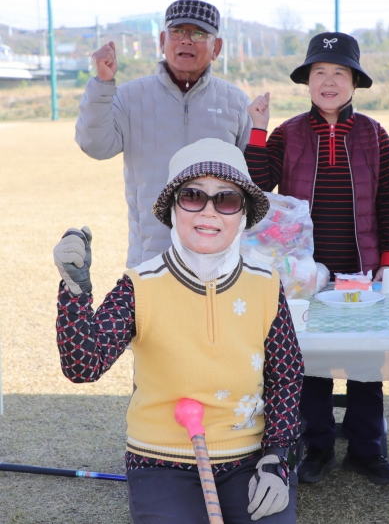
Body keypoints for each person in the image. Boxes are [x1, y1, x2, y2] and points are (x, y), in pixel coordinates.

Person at [53, 139, 303, 522]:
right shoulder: (139, 286)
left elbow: (286, 375)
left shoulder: (266, 283)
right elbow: (83, 367)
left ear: (243, 214)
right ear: (173, 208)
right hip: (160, 461)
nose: (209, 211)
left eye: (226, 199)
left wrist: (276, 457)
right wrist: (75, 292)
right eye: (193, 196)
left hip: (249, 458)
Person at [244, 32, 389, 485]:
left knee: (366, 360)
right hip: (302, 272)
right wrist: (258, 129)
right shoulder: (289, 132)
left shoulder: (374, 134)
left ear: (355, 82)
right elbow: (258, 188)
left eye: (339, 73)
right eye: (320, 72)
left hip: (362, 268)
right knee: (307, 359)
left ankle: (366, 449)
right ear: (307, 80)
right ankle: (316, 447)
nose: (329, 81)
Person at [75, 0, 253, 268]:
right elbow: (96, 146)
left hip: (219, 261)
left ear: (216, 48)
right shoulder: (131, 96)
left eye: (199, 34)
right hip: (149, 256)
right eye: (178, 31)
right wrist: (102, 84)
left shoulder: (236, 102)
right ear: (162, 40)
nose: (186, 40)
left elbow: (251, 184)